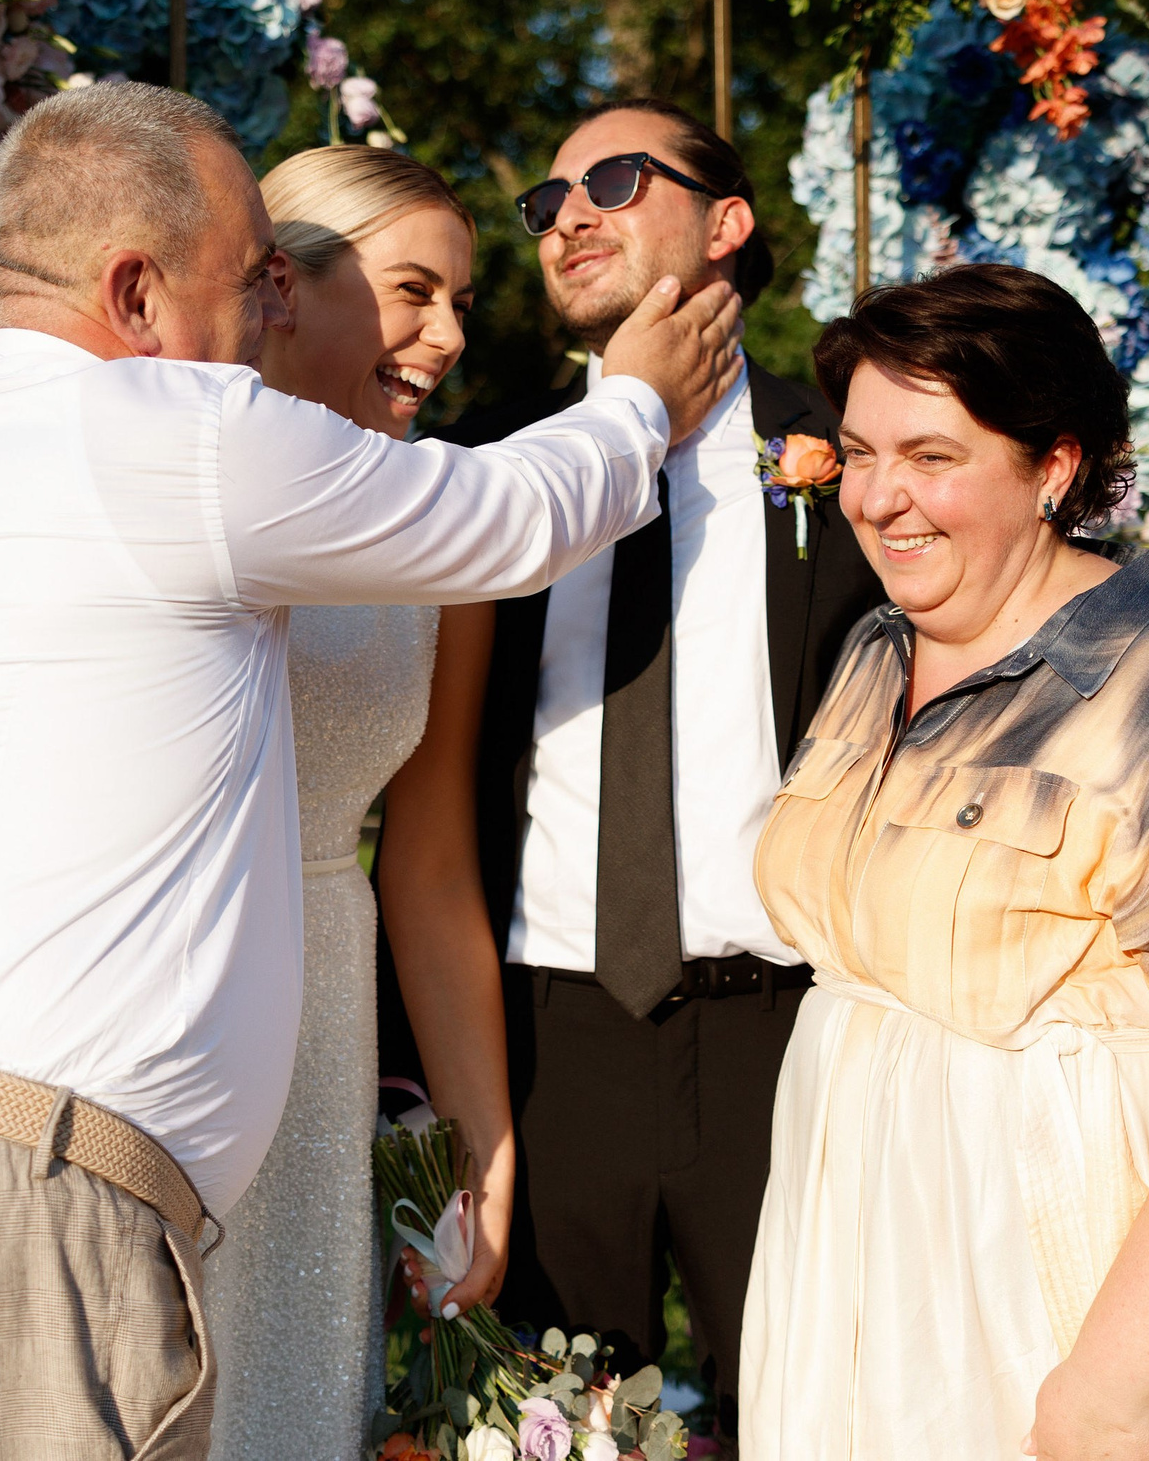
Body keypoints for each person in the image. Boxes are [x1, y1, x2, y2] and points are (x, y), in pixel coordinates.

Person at [0, 81, 743, 1461]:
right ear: (135, 290)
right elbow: (520, 511)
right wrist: (644, 396)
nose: (263, 312)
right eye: (253, 277)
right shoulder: (190, 434)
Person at [737, 264, 1149, 1461]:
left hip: (1053, 1282)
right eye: (860, 453)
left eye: (932, 457)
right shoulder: (877, 650)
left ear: (1054, 467)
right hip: (851, 1258)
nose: (880, 499)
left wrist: (1110, 1390)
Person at [375, 99, 883, 1427]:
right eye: (546, 203)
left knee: (813, 1414)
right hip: (548, 1042)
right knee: (531, 1426)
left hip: (788, 1032)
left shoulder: (853, 464)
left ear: (727, 221)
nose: (569, 215)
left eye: (611, 177)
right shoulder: (488, 467)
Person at [201, 145, 483, 1461]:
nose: (447, 334)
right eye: (414, 288)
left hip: (323, 993)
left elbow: (429, 868)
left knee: (288, 1389)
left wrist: (485, 1143)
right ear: (288, 279)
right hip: (153, 979)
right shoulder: (166, 459)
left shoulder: (454, 532)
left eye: (463, 302)